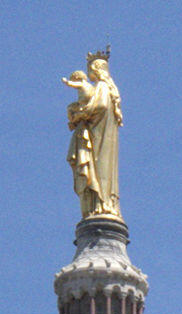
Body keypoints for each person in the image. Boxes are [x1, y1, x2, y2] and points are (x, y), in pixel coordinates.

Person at [64, 54, 122, 218]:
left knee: (99, 171)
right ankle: (99, 205)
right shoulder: (106, 88)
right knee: (99, 171)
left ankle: (101, 204)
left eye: (90, 68)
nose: (89, 72)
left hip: (99, 138)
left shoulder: (103, 86)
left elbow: (100, 106)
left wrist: (81, 114)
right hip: (98, 134)